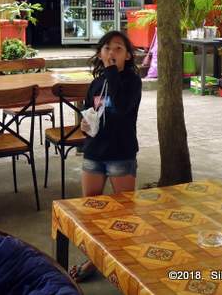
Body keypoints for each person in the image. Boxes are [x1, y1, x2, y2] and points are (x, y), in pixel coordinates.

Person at [69, 31, 142, 282]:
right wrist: (84, 125)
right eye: (108, 48)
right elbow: (89, 110)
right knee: (91, 209)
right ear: (100, 52)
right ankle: (93, 260)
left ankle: (122, 262)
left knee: (122, 212)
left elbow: (122, 108)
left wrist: (112, 72)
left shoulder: (133, 81)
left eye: (119, 49)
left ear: (128, 55)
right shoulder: (96, 82)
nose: (112, 53)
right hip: (94, 153)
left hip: (120, 154)